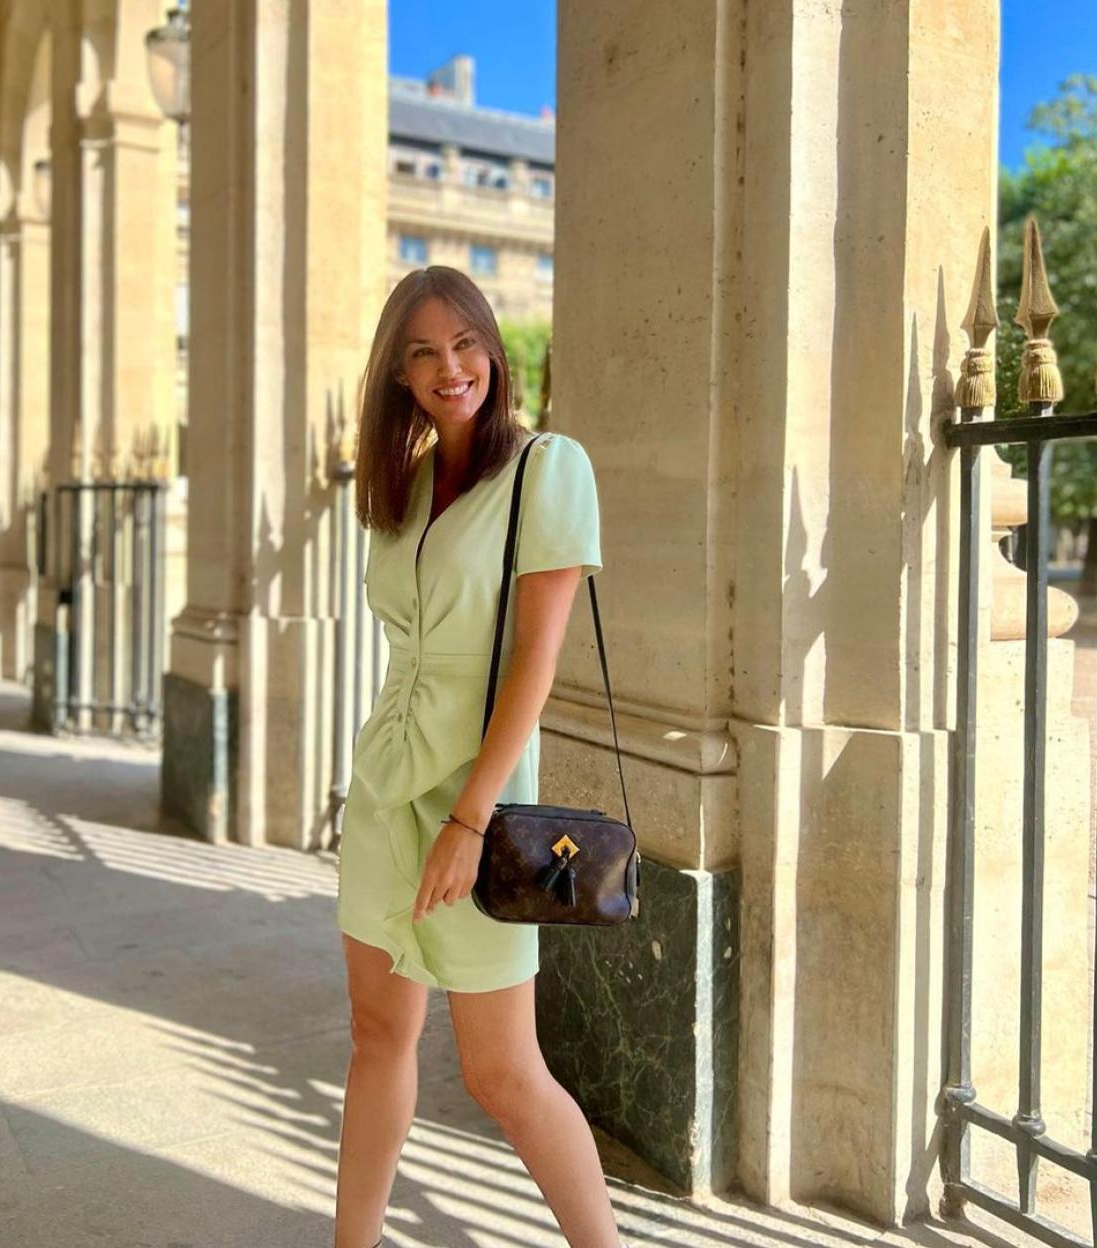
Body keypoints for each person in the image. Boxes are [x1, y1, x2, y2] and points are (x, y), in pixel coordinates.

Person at [333, 266, 627, 1248]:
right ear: (399, 375)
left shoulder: (550, 468)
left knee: (502, 1073)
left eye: (462, 343)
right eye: (420, 352)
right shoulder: (408, 482)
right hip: (384, 791)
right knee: (378, 1038)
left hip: (479, 807)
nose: (446, 367)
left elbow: (533, 671)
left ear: (493, 349)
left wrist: (468, 820)